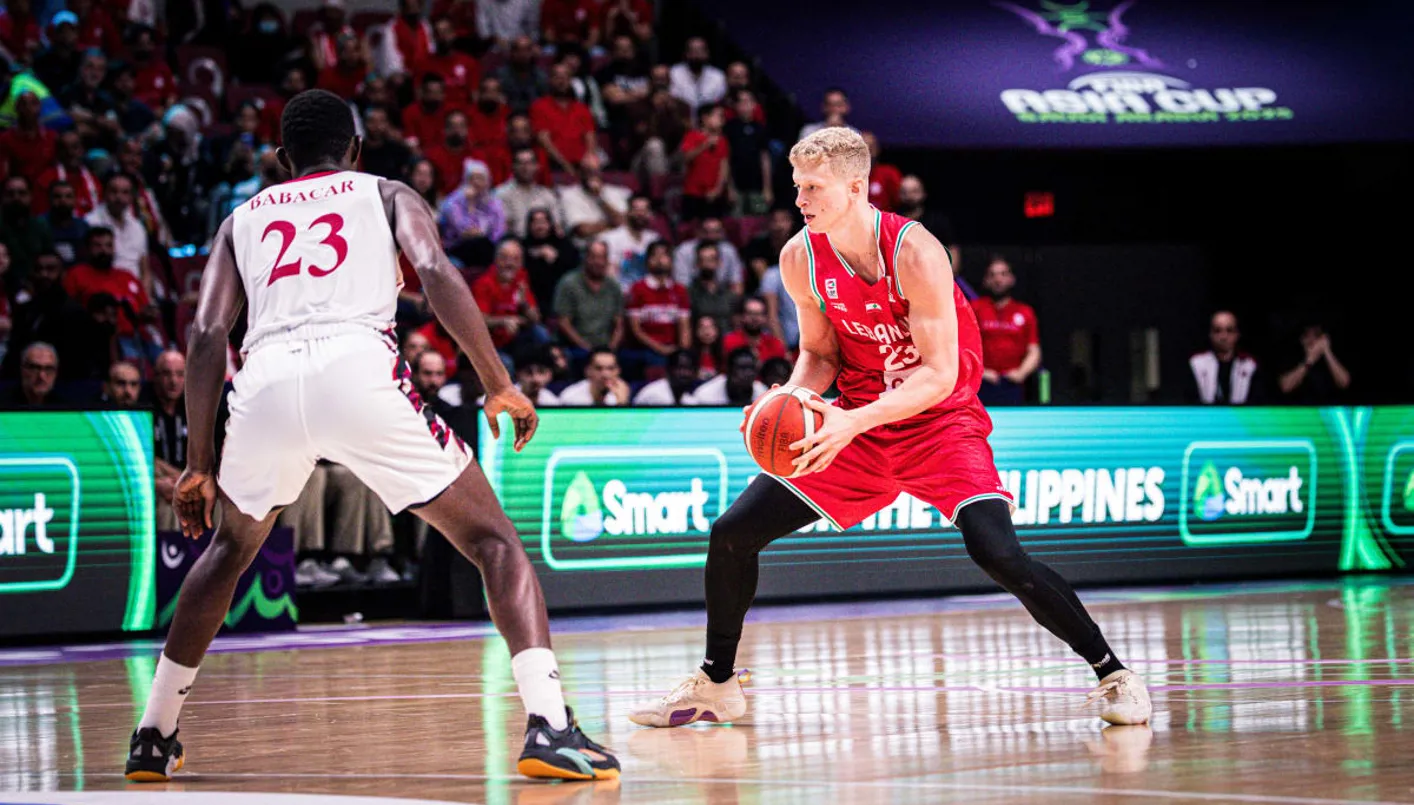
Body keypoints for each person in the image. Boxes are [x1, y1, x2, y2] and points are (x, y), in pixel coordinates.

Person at [123, 89, 618, 783]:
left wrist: (199, 462)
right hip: (357, 365)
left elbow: (206, 334)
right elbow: (436, 271)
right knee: (495, 543)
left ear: (282, 158)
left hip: (264, 378)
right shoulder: (385, 192)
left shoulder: (240, 218)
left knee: (229, 549)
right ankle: (551, 726)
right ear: (355, 149)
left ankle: (153, 734)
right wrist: (497, 381)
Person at [628, 126, 1150, 729]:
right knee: (732, 533)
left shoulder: (915, 251)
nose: (799, 199)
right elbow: (819, 354)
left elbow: (939, 374)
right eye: (797, 186)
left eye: (813, 187)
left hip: (938, 423)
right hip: (854, 423)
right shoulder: (799, 257)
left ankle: (1113, 673)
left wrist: (852, 420)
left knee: (998, 553)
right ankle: (718, 683)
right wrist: (793, 395)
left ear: (856, 187)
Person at [972, 256, 1040, 406]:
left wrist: (1021, 373)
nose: (998, 279)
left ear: (1011, 279)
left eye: (1003, 274)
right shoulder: (974, 308)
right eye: (992, 275)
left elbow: (1034, 350)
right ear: (986, 280)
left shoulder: (1025, 312)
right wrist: (981, 372)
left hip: (1013, 384)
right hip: (981, 382)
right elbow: (962, 347)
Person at [624, 240, 690, 367]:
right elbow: (635, 329)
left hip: (672, 347)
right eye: (655, 255)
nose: (660, 260)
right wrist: (660, 349)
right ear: (647, 261)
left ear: (671, 261)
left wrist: (682, 351)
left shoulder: (680, 290)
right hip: (646, 349)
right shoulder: (637, 289)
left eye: (664, 255)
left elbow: (684, 327)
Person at [552, 239, 622, 359]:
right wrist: (587, 349)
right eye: (593, 257)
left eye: (602, 257)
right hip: (575, 348)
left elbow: (619, 325)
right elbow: (564, 323)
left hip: (605, 348)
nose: (598, 262)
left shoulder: (613, 286)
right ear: (585, 258)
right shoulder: (569, 283)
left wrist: (610, 349)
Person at [531, 63, 597, 177]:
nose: (561, 81)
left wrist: (589, 158)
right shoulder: (539, 106)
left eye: (566, 77)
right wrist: (567, 166)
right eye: (557, 77)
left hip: (582, 164)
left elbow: (590, 137)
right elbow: (544, 140)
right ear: (550, 80)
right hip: (553, 165)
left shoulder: (582, 108)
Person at [1187, 310, 1260, 405]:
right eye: (1217, 331)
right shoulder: (1196, 364)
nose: (1223, 337)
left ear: (1237, 334)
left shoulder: (1249, 365)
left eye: (1229, 330)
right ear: (1210, 334)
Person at [150, 351, 187, 531]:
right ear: (155, 377)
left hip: (189, 477)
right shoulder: (144, 408)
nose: (173, 381)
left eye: (180, 374)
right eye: (167, 374)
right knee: (170, 498)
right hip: (159, 480)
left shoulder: (195, 410)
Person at [495, 148, 564, 238]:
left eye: (530, 163)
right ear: (513, 167)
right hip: (516, 241)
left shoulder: (547, 194)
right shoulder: (501, 194)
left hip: (545, 241)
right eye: (521, 163)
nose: (525, 167)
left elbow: (557, 227)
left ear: (537, 166)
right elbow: (503, 228)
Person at [679, 102, 731, 221]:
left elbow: (724, 166)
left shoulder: (723, 140)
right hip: (692, 192)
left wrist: (718, 189)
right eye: (718, 116)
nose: (721, 120)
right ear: (705, 118)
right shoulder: (692, 136)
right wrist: (705, 145)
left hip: (714, 194)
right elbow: (686, 158)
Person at [1278, 321, 1351, 404]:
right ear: (1302, 339)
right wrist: (1309, 361)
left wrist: (1327, 352)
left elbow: (1345, 383)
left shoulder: (1332, 354)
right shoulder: (1293, 356)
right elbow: (1285, 387)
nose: (1312, 340)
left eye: (1316, 335)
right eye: (1308, 336)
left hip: (1329, 407)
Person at [597, 193, 659, 284]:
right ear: (627, 212)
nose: (641, 214)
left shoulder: (654, 239)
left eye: (645, 211)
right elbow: (609, 275)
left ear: (650, 214)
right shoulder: (611, 239)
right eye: (636, 210)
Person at [672, 217, 743, 292]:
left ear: (723, 233)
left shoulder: (729, 250)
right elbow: (682, 286)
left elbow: (737, 284)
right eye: (706, 232)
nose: (711, 236)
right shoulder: (684, 251)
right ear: (698, 232)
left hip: (722, 295)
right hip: (692, 294)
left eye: (716, 232)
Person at [687, 241, 739, 340]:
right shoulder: (689, 294)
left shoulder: (729, 295)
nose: (707, 264)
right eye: (703, 260)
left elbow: (736, 325)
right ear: (697, 264)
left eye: (711, 260)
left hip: (726, 342)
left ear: (719, 262)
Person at [685, 345, 767, 406]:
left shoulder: (763, 394)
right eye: (742, 368)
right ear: (728, 371)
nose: (748, 373)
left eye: (751, 368)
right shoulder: (705, 395)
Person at [668, 37, 726, 119]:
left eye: (700, 50)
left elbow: (718, 102)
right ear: (686, 53)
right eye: (693, 51)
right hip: (681, 119)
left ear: (707, 53)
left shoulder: (718, 76)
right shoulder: (674, 73)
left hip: (709, 121)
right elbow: (674, 98)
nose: (697, 55)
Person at [557, 346, 630, 406]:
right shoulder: (571, 398)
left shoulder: (621, 393)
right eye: (598, 368)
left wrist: (622, 402)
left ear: (618, 371)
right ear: (587, 371)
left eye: (611, 368)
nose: (605, 374)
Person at [721, 295, 786, 363]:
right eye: (750, 313)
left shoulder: (774, 344)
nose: (754, 318)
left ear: (765, 318)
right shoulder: (729, 341)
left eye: (759, 314)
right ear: (742, 316)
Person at [5, 341, 62, 407]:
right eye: (35, 368)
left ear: (56, 373)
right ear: (22, 370)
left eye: (48, 369)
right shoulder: (4, 403)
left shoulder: (67, 407)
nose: (41, 376)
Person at [633, 349, 700, 405]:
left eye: (690, 369)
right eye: (680, 368)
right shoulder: (654, 394)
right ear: (668, 370)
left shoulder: (689, 400)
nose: (685, 373)